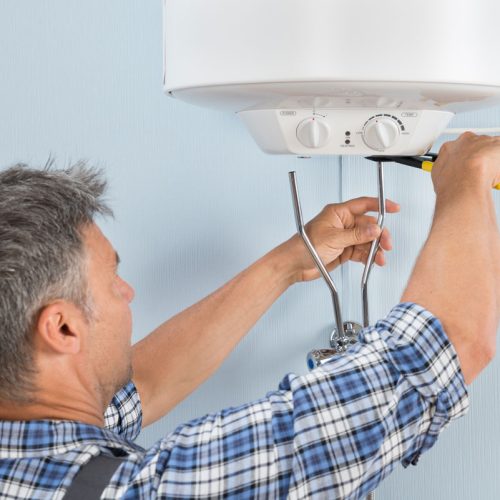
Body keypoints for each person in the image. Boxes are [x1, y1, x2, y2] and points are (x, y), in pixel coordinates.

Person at [0, 132, 498, 499]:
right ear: (62, 328)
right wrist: (466, 179)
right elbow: (444, 346)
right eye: (112, 280)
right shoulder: (150, 492)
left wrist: (288, 263)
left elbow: (144, 384)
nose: (127, 292)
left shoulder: (28, 448)